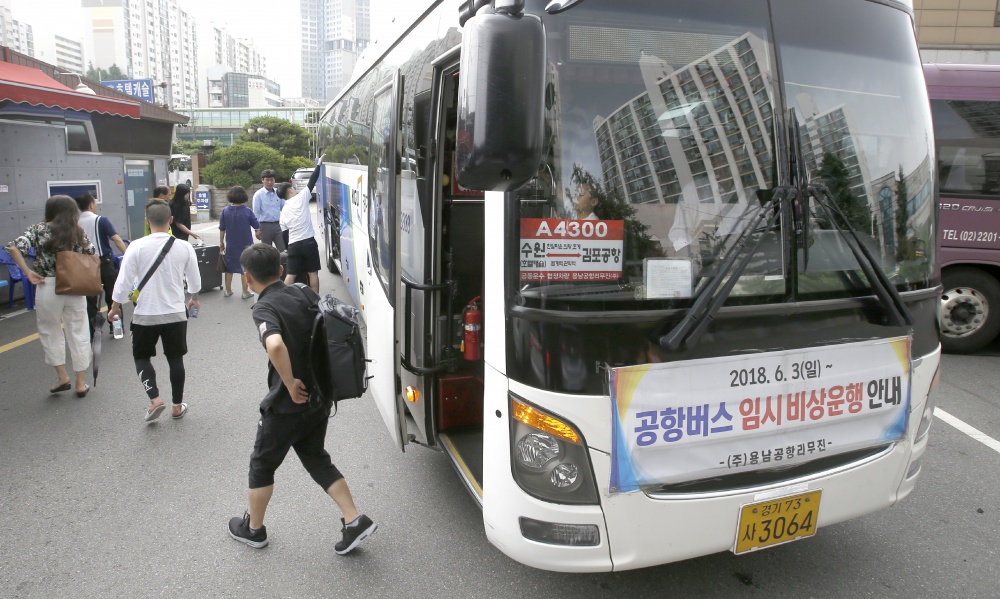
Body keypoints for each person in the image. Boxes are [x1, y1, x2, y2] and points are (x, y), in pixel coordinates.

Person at [228, 244, 376, 554]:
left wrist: (289, 382)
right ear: (280, 271)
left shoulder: (263, 307)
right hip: (319, 397)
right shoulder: (304, 293)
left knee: (261, 464)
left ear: (248, 278)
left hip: (287, 404)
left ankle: (254, 530)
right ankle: (354, 520)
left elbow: (276, 345)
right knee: (315, 457)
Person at [108, 199, 201, 423]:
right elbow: (195, 281)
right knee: (175, 358)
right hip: (176, 313)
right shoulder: (184, 246)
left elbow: (123, 282)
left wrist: (114, 308)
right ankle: (177, 406)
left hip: (145, 315)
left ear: (147, 222)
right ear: (170, 220)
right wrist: (193, 299)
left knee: (141, 357)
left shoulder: (136, 246)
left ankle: (155, 399)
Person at [6, 195, 94, 397]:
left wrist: (28, 273)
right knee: (79, 331)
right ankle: (81, 383)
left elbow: (13, 248)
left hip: (47, 284)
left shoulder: (38, 229)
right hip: (74, 285)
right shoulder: (77, 231)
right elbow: (91, 253)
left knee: (50, 330)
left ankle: (62, 377)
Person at [75, 193, 128, 339]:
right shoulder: (101, 220)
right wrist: (127, 255)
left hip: (84, 265)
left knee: (90, 300)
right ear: (91, 204)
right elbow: (116, 239)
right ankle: (116, 328)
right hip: (104, 263)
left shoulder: (74, 222)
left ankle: (93, 332)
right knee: (112, 296)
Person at [277, 154, 324, 293]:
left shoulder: (283, 212)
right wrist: (319, 164)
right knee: (312, 274)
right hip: (308, 243)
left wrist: (287, 248)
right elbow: (312, 180)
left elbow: (284, 234)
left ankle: (283, 299)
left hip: (293, 245)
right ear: (291, 190)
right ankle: (316, 302)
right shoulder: (301, 198)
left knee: (291, 274)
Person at [219, 186, 260, 299]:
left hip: (231, 244)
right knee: (245, 268)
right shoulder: (247, 211)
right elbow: (256, 225)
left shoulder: (225, 211)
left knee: (229, 267)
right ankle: (245, 292)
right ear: (243, 196)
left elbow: (222, 228)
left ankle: (227, 290)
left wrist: (221, 243)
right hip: (246, 243)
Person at [252, 169, 285, 252]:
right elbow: (256, 213)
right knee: (267, 251)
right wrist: (257, 229)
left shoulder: (278, 192)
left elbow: (284, 208)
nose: (270, 182)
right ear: (262, 180)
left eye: (272, 180)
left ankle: (283, 265)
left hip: (278, 225)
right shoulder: (258, 195)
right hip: (264, 226)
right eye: (267, 180)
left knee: (283, 249)